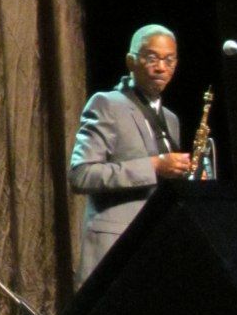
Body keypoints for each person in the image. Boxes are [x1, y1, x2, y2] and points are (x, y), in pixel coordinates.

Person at [69, 25, 191, 283]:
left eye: (169, 60)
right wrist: (154, 166)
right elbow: (81, 174)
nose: (161, 68)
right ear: (131, 61)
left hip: (158, 246)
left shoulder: (171, 119)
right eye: (152, 58)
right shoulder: (106, 104)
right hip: (115, 250)